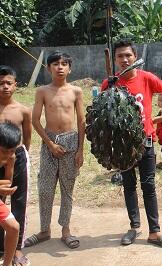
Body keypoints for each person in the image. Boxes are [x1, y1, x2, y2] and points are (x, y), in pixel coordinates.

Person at [101, 39, 162, 249]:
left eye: (128, 55)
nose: (125, 59)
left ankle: (155, 232)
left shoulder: (146, 78)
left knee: (148, 185)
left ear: (135, 57)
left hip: (147, 139)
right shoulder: (110, 83)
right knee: (128, 185)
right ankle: (134, 227)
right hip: (123, 145)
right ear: (115, 60)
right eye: (120, 56)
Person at [25, 51, 85, 249]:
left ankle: (65, 230)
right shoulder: (42, 91)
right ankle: (44, 230)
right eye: (56, 64)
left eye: (64, 63)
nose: (60, 67)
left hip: (71, 141)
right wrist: (50, 144)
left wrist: (80, 150)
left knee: (67, 189)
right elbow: (35, 120)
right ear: (48, 68)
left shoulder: (76, 91)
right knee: (45, 189)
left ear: (70, 68)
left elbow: (81, 120)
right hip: (49, 142)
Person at [0, 65, 31, 266]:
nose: (4, 87)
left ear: (15, 85)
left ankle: (17, 248)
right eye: (0, 83)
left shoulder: (23, 110)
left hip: (17, 157)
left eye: (8, 83)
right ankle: (3, 248)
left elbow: (27, 138)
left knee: (19, 202)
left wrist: (18, 157)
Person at [0, 122, 22, 266]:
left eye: (12, 151)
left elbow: (7, 182)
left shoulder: (11, 158)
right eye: (4, 151)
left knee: (14, 227)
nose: (8, 155)